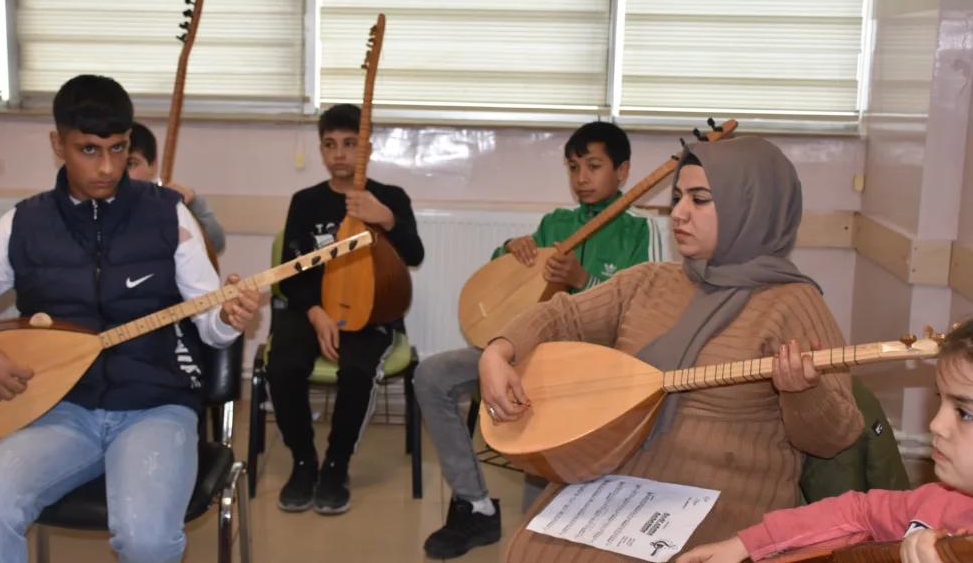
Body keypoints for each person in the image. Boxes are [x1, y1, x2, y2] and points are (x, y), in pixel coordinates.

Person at [0, 74, 260, 563]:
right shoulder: (22, 225)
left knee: (146, 539)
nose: (108, 167)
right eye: (89, 150)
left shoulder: (170, 217)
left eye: (119, 148)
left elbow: (210, 326)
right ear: (58, 144)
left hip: (155, 407)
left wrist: (230, 316)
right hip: (58, 410)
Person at [481, 136, 865, 563]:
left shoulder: (793, 304)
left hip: (725, 494)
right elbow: (562, 316)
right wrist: (498, 351)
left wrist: (803, 392)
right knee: (532, 553)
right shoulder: (648, 282)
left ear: (751, 208)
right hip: (621, 471)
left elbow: (836, 437)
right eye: (678, 197)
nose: (678, 213)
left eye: (700, 200)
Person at [414, 121, 664, 559]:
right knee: (432, 374)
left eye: (593, 166)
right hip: (522, 353)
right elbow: (506, 284)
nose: (581, 178)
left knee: (536, 523)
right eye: (572, 167)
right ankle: (475, 505)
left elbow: (643, 317)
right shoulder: (556, 222)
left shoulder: (640, 233)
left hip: (584, 373)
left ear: (622, 171)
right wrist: (513, 249)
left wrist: (582, 281)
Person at [680, 318, 973, 563]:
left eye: (964, 412)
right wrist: (745, 544)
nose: (936, 424)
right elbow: (857, 511)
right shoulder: (939, 501)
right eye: (941, 400)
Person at [268, 103, 425, 516]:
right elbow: (290, 272)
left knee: (357, 369)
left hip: (371, 313)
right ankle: (304, 462)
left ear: (367, 148)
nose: (339, 153)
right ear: (321, 150)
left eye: (350, 143)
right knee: (283, 364)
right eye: (330, 144)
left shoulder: (391, 198)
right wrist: (316, 312)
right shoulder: (305, 201)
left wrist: (386, 218)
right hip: (311, 309)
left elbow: (414, 254)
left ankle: (336, 465)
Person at [126, 121, 226, 255]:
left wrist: (193, 204)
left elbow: (215, 244)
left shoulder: (170, 202)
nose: (121, 174)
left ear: (153, 166)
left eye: (131, 164)